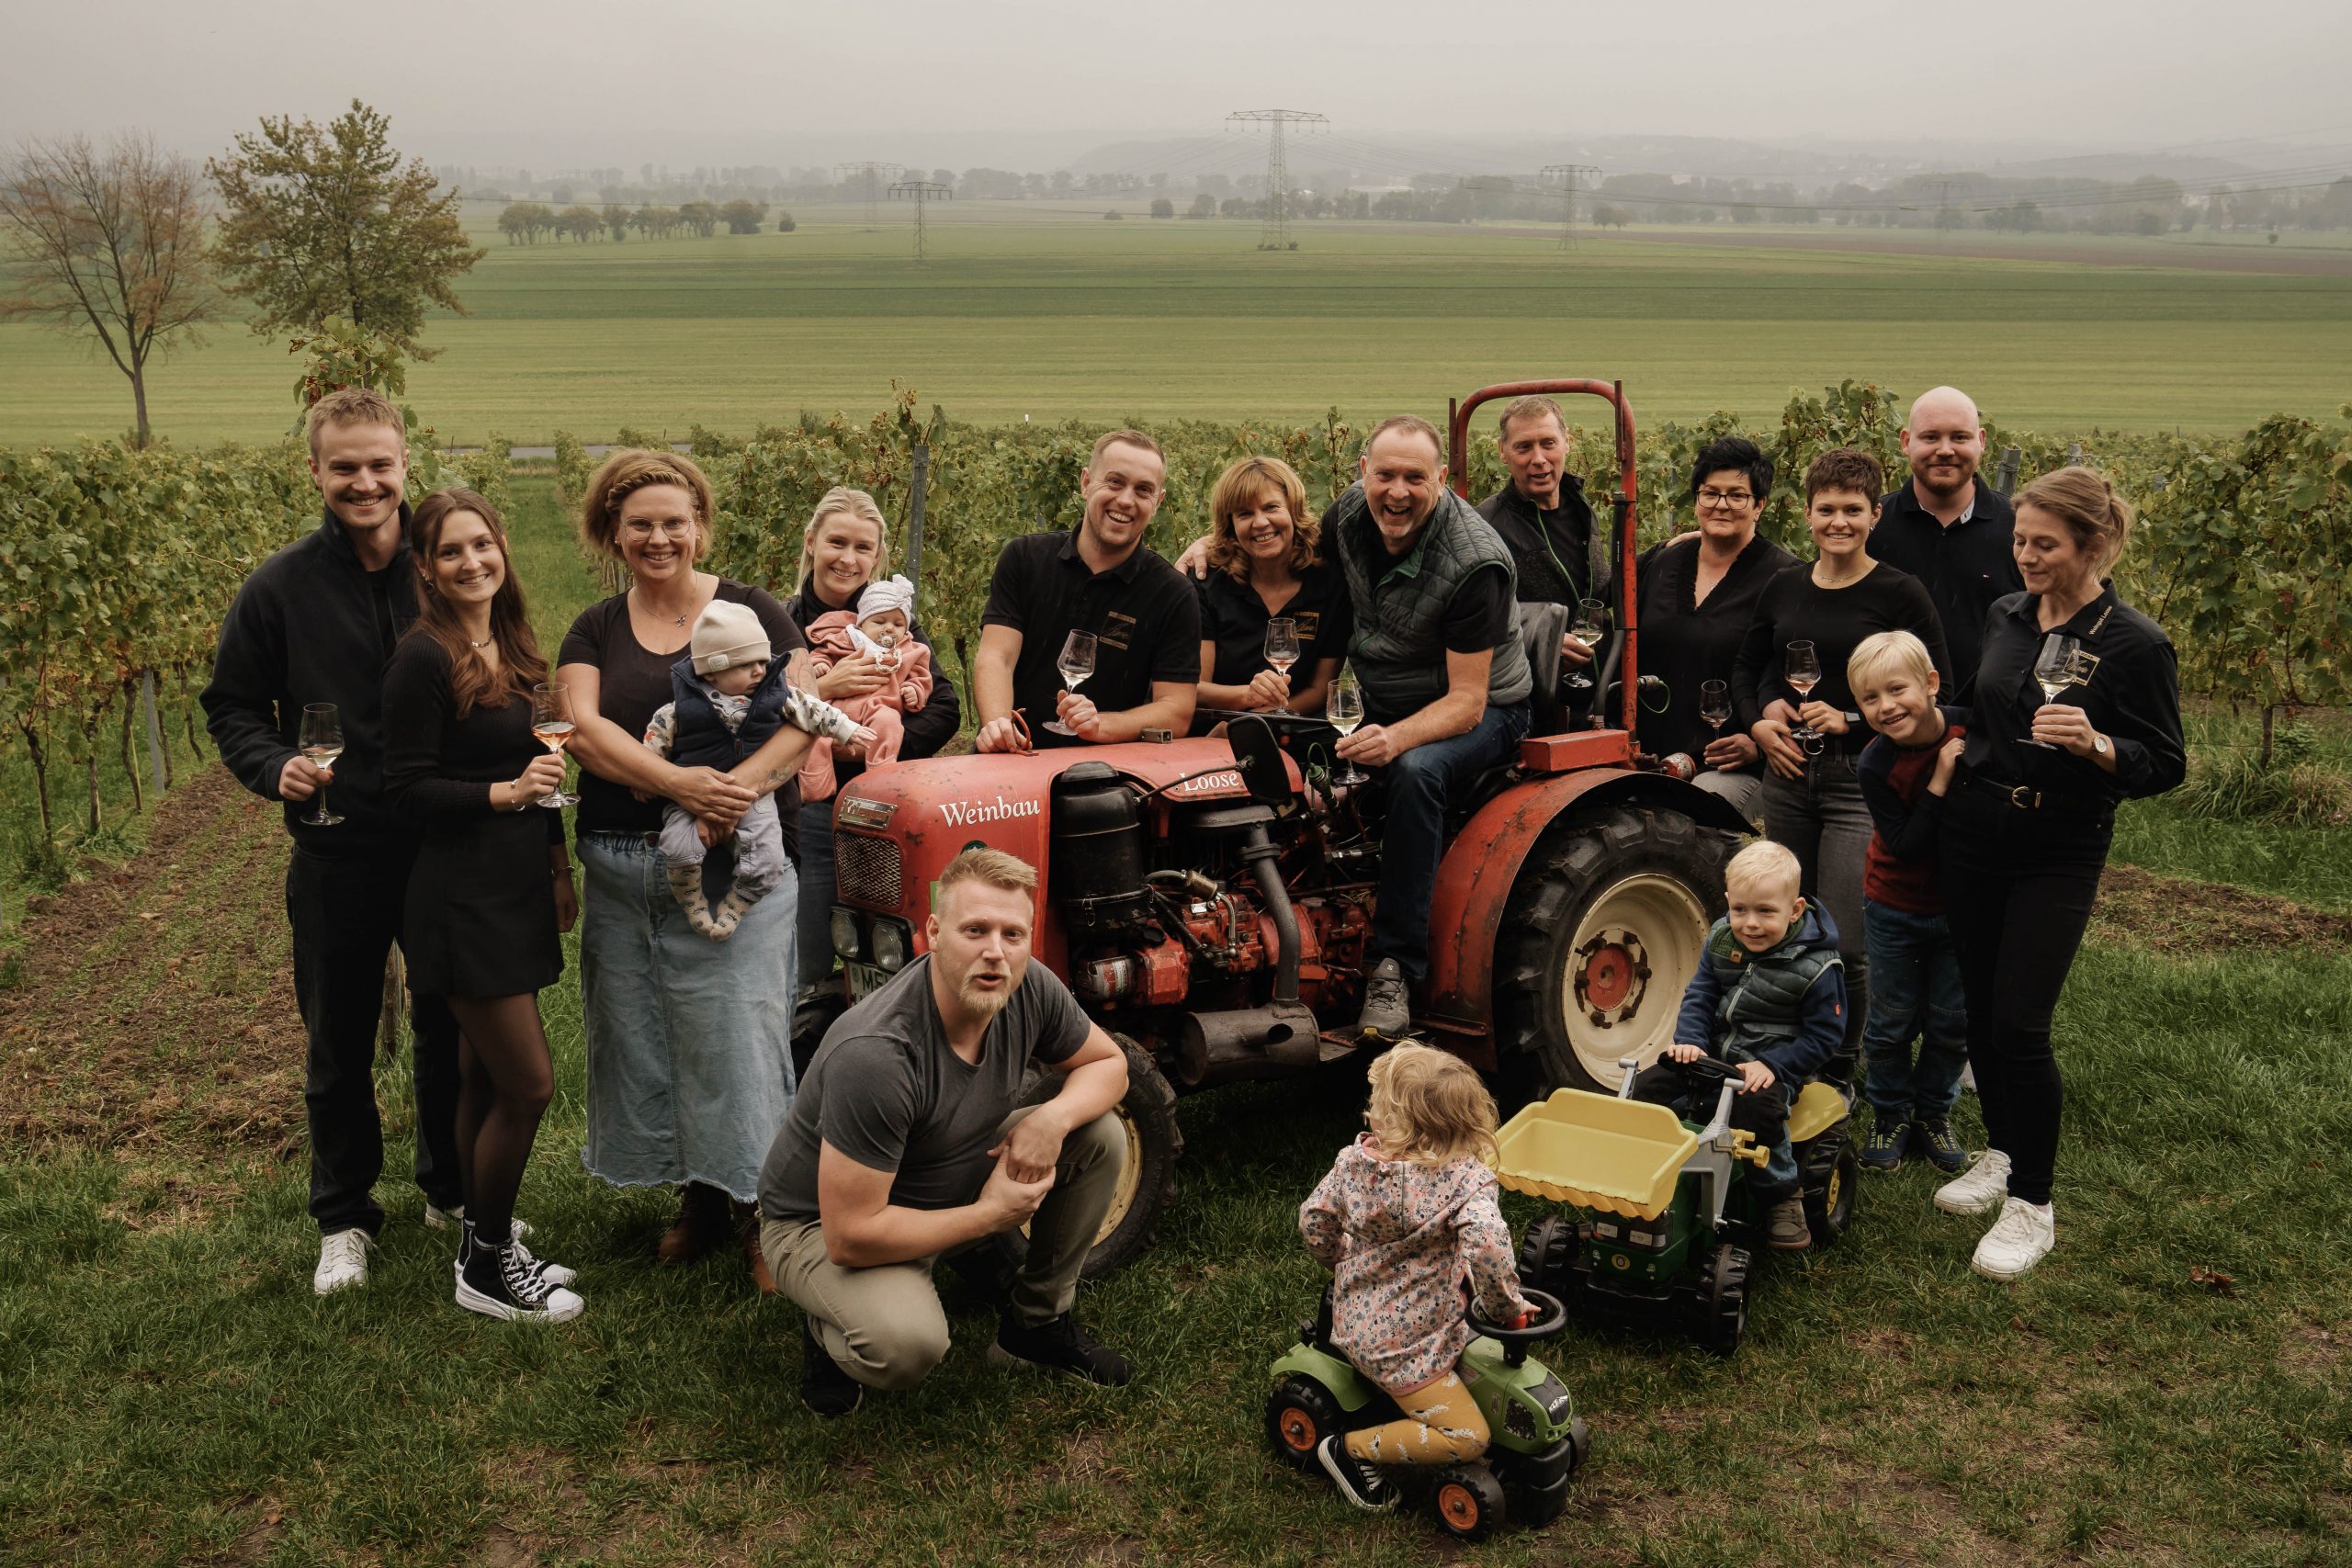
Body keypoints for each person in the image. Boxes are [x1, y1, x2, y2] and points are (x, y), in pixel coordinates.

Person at [201, 387, 467, 1296]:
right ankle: (344, 1218)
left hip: (438, 844)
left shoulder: (444, 573)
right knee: (338, 1042)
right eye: (344, 466)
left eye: (379, 464)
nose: (364, 482)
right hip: (336, 847)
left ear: (405, 466)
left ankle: (451, 1190)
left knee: (450, 1029)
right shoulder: (278, 588)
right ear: (314, 470)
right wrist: (271, 762)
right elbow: (232, 705)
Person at [555, 450, 817, 1289]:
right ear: (613, 533)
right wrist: (678, 784)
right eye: (640, 524)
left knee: (738, 1039)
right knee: (651, 1041)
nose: (659, 537)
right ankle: (700, 1199)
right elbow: (584, 732)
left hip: (736, 868)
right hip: (624, 874)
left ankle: (764, 1214)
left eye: (675, 521)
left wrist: (725, 799)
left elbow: (802, 722)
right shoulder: (594, 627)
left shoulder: (755, 611)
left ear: (700, 525)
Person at [757, 848, 1136, 1416]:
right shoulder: (878, 1054)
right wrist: (990, 1216)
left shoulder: (1028, 984)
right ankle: (827, 1330)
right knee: (905, 1347)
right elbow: (850, 1235)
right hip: (820, 1222)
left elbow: (1110, 1065)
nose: (995, 952)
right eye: (975, 930)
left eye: (1013, 934)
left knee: (1099, 1135)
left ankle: (1035, 1327)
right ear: (932, 932)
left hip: (940, 1170)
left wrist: (1050, 1118)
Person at [1932, 467, 2183, 1281]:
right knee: (1978, 1008)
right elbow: (1979, 708)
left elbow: (2166, 763)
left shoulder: (2134, 643)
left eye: (2044, 544)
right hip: (1976, 830)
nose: (2026, 557)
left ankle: (2032, 1206)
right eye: (2019, 541)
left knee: (2020, 1025)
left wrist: (2099, 744)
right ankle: (2003, 1154)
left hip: (2060, 843)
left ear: (2094, 544)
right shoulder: (2009, 613)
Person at [380, 488, 585, 1322]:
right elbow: (404, 788)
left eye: (483, 544)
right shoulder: (422, 658)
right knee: (528, 1085)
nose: (473, 562)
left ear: (502, 547)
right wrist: (503, 794)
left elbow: (544, 765)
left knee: (477, 1072)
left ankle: (476, 1227)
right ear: (425, 568)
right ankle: (488, 1269)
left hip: (513, 887)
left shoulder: (509, 644)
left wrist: (556, 866)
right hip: (458, 899)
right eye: (451, 551)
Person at [1734, 447, 1950, 1067]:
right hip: (1788, 775)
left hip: (1861, 780)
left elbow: (1940, 689)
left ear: (1874, 514)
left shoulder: (1899, 593)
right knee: (1787, 928)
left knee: (1846, 940)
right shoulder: (1783, 586)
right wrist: (1761, 720)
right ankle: (1788, 1048)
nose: (1839, 522)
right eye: (1826, 508)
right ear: (1806, 514)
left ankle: (1842, 1064)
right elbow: (1748, 668)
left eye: (1852, 509)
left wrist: (1853, 719)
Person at [1329, 415, 1532, 1039]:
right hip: (1382, 695)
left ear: (1441, 480)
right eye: (1384, 474)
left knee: (1416, 772)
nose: (1397, 491)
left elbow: (1466, 703)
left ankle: (1394, 966)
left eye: (1414, 478)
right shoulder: (1346, 516)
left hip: (1486, 708)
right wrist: (1207, 546)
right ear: (1362, 472)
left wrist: (1393, 738)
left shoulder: (1475, 563)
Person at [1295, 1043, 1535, 1513]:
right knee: (1468, 1437)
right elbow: (1487, 1247)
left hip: (1364, 1316)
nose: (1371, 1115)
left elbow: (1313, 1222)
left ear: (1396, 1120)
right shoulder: (1466, 1180)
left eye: (1378, 1107)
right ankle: (1350, 1451)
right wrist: (1505, 1307)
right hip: (1406, 1344)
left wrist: (1339, 1259)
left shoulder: (1353, 1165)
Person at [1628, 840, 1846, 1252]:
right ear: (1728, 902)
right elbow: (1701, 994)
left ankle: (1782, 1195)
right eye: (1740, 909)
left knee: (1756, 1115)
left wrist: (1775, 1066)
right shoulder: (1722, 939)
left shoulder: (1819, 967)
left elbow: (1824, 1037)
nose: (1750, 924)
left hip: (1772, 1067)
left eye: (1766, 912)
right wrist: (1691, 1042)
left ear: (1795, 910)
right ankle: (1645, 1175)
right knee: (1648, 1090)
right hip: (1710, 1056)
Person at [785, 488, 961, 987]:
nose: (848, 558)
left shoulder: (895, 625)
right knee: (810, 955)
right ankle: (808, 1047)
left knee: (890, 952)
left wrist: (864, 747)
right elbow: (756, 713)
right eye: (837, 542)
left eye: (863, 547)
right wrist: (823, 688)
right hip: (810, 815)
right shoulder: (782, 621)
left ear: (879, 555)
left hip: (883, 808)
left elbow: (945, 707)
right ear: (811, 543)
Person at [643, 601, 873, 940]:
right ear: (711, 672)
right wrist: (650, 773)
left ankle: (738, 903)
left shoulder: (776, 694)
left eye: (763, 662)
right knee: (676, 845)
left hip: (757, 797)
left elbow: (813, 710)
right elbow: (657, 736)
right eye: (745, 664)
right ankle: (691, 900)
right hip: (690, 797)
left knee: (767, 855)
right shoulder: (682, 708)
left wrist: (846, 728)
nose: (759, 673)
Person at [973, 429, 1201, 752]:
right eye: (1114, 482)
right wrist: (998, 726)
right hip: (1008, 759)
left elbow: (1176, 710)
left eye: (1143, 490)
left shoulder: (1173, 593)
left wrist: (1101, 725)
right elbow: (997, 656)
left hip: (1104, 777)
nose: (1125, 500)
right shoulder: (1025, 559)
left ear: (1158, 502)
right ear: (1085, 483)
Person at [1618, 436, 1797, 819]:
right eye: (1710, 493)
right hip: (1647, 757)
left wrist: (1758, 741)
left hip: (1729, 765)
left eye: (1737, 496)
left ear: (1759, 505)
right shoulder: (1662, 563)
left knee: (1689, 817)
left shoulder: (1785, 578)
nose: (1721, 505)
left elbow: (1795, 676)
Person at [1848, 630, 1971, 1177]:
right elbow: (1906, 845)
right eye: (1869, 699)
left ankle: (1933, 1114)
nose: (1886, 707)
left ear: (1931, 683)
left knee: (1952, 1020)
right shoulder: (1875, 765)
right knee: (1892, 1019)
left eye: (1896, 689)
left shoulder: (1975, 729)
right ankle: (1891, 1113)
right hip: (1895, 904)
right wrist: (1941, 778)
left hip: (1963, 908)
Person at [1871, 387, 2023, 699]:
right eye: (1930, 437)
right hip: (1889, 721)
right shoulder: (1872, 528)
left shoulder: (2019, 530)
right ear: (1905, 442)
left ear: (1981, 441)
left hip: (1991, 724)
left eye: (1959, 437)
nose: (1944, 450)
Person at [1192, 456, 1350, 733]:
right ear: (1231, 524)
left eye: (1271, 507)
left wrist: (1258, 725)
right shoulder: (1208, 582)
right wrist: (1246, 697)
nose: (1260, 522)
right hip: (1210, 734)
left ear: (1293, 510)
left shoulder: (1329, 583)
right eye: (1244, 514)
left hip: (1294, 729)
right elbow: (1193, 687)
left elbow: (1319, 689)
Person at [1474, 394, 1600, 696]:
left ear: (1566, 443)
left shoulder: (1581, 507)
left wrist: (1666, 550)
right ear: (1503, 452)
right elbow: (1475, 616)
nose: (1538, 459)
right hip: (1529, 696)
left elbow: (1598, 587)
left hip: (1594, 687)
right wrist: (1544, 637)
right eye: (1523, 447)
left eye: (1548, 443)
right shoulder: (1486, 526)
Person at [798, 575, 932, 798]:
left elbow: (921, 678)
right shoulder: (844, 640)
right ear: (861, 623)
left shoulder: (912, 650)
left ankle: (881, 780)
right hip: (836, 708)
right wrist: (819, 666)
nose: (889, 629)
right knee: (815, 734)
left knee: (890, 724)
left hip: (878, 708)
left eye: (898, 624)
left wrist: (914, 691)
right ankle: (815, 786)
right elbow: (821, 654)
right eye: (879, 622)